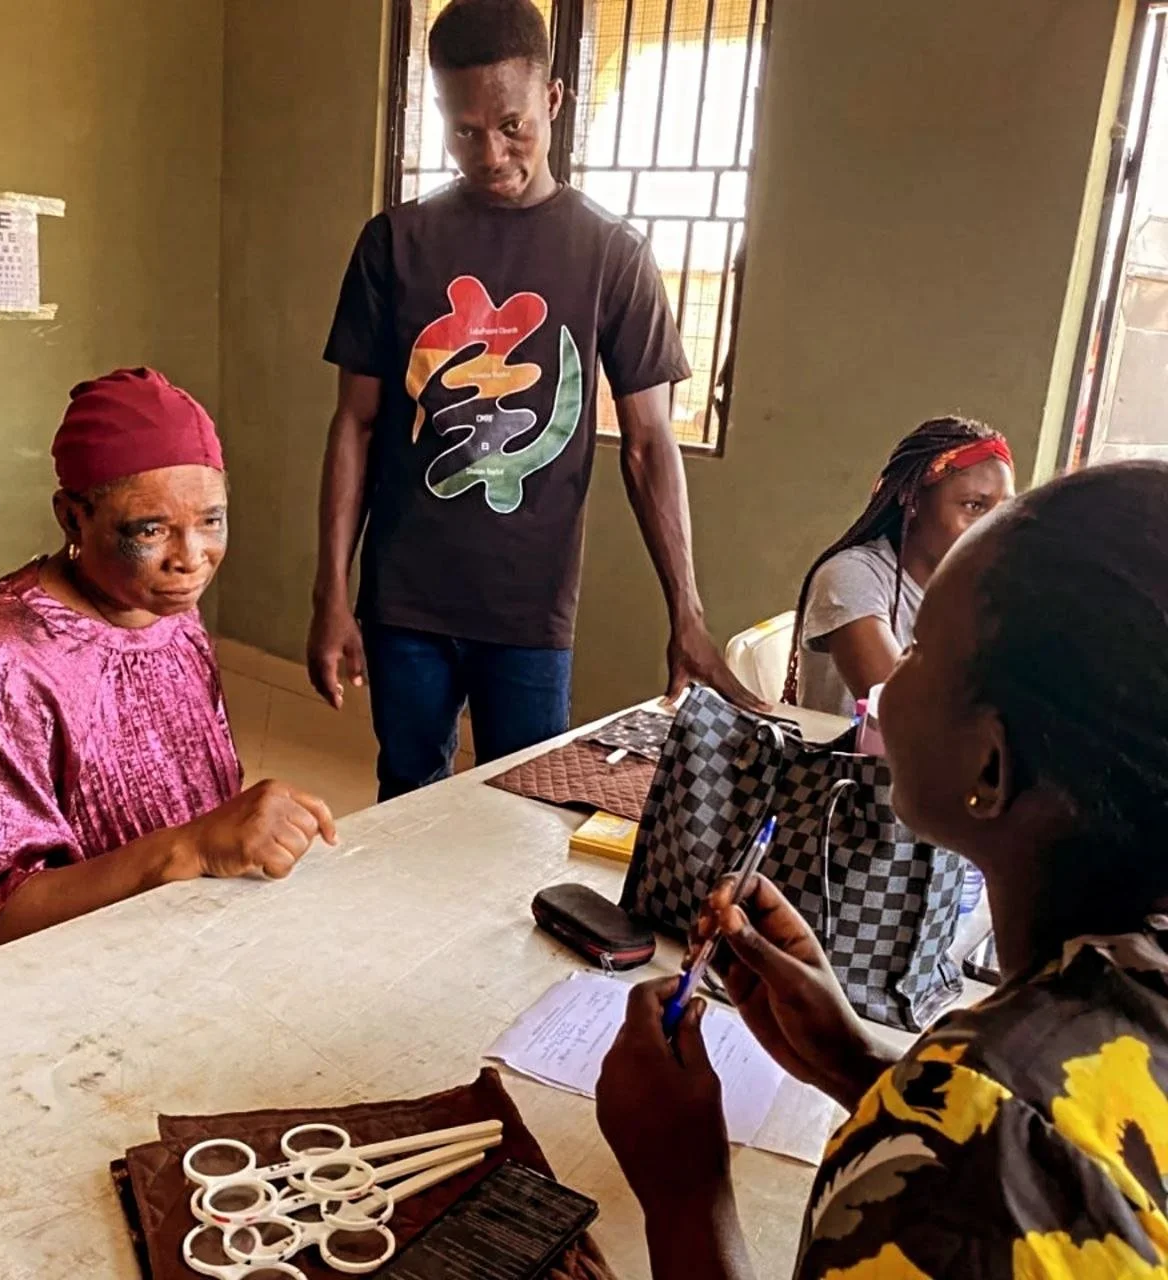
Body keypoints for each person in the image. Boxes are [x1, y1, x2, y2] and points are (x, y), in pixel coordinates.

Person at [596, 461, 1168, 1278]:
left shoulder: (970, 1173)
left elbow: (988, 1167)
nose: (888, 683)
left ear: (989, 769)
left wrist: (685, 1193)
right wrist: (857, 1066)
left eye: (921, 651)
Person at [307, 0, 761, 802]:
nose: (491, 153)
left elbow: (652, 443)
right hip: (404, 597)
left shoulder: (611, 254)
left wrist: (687, 613)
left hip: (530, 609)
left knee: (526, 809)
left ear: (552, 99)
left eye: (511, 125)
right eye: (465, 130)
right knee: (408, 794)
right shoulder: (395, 243)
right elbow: (356, 422)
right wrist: (330, 595)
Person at [0, 368, 337, 970]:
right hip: (59, 987)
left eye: (211, 520)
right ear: (73, 519)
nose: (190, 559)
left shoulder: (167, 610)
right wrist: (185, 850)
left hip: (183, 942)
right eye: (149, 530)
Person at [786, 417, 1014, 717]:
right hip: (854, 764)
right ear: (912, 497)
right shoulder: (851, 577)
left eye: (1004, 510)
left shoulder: (977, 593)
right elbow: (905, 715)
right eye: (973, 506)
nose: (993, 527)